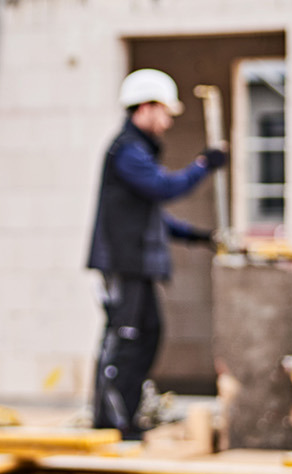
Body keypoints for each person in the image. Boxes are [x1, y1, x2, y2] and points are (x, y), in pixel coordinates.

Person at [86, 69, 227, 438]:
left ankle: (127, 417)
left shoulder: (138, 152)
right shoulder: (127, 151)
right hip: (124, 263)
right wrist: (203, 166)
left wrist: (200, 237)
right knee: (126, 339)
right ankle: (111, 421)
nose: (166, 122)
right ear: (144, 108)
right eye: (163, 112)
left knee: (149, 334)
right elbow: (163, 188)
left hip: (138, 265)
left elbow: (152, 218)